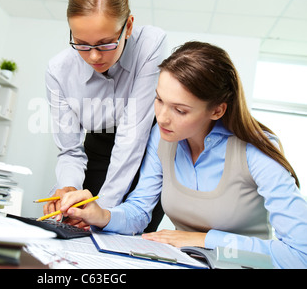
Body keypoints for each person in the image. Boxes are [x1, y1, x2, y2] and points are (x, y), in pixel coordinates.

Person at [59, 41, 307, 269]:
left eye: (180, 109)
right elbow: (140, 210)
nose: (162, 117)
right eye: (159, 99)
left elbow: (300, 254)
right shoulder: (163, 136)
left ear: (217, 110)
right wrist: (102, 215)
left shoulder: (257, 150)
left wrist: (203, 239)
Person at [44, 0, 167, 231]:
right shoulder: (59, 71)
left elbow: (132, 136)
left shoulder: (150, 44)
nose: (94, 56)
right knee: (73, 229)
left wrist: (103, 212)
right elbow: (70, 151)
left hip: (146, 152)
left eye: (105, 43)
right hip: (97, 149)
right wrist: (68, 189)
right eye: (81, 44)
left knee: (127, 234)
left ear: (128, 26)